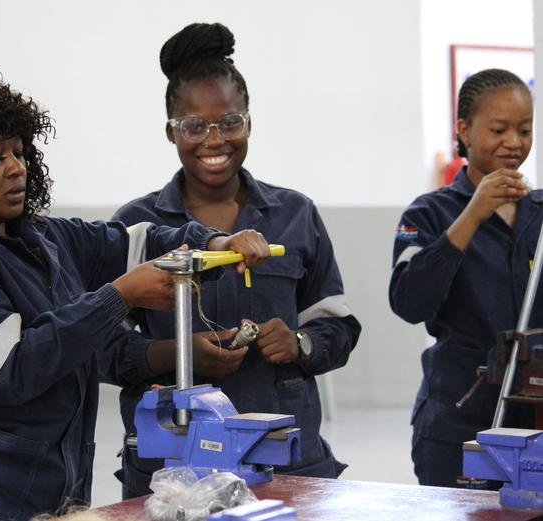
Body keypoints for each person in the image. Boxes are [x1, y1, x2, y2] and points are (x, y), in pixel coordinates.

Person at [0, 74, 272, 521]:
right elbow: (5, 372)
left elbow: (138, 243)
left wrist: (214, 245)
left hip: (47, 499)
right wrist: (118, 298)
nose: (16, 168)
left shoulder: (41, 237)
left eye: (19, 152)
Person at [99, 23, 362, 500]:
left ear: (249, 124)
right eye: (194, 126)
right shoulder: (135, 226)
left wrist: (299, 343)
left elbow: (339, 327)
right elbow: (98, 347)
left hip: (282, 459)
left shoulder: (294, 214)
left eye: (229, 122)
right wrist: (176, 355)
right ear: (171, 132)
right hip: (173, 468)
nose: (213, 139)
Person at [389, 68, 539, 488]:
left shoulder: (540, 216)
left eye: (525, 130)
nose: (514, 142)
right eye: (499, 129)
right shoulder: (428, 214)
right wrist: (472, 215)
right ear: (464, 130)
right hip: (458, 420)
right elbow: (408, 302)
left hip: (534, 417)